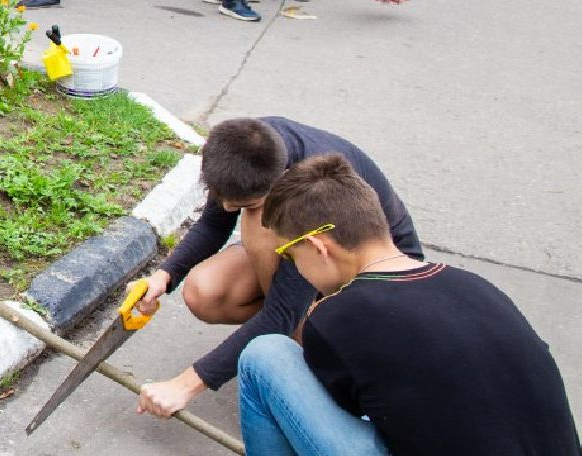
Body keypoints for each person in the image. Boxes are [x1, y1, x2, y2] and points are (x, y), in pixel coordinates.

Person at [239, 154, 582, 456]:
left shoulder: (338, 318)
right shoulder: (475, 287)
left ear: (318, 247)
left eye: (291, 257)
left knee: (265, 356)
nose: (297, 271)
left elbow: (335, 426)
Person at [131, 117, 421, 421]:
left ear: (280, 176)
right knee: (206, 291)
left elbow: (281, 314)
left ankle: (310, 352)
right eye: (223, 199)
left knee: (260, 225)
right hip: (318, 261)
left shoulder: (311, 191)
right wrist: (164, 276)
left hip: (377, 280)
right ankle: (298, 326)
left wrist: (185, 384)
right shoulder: (244, 150)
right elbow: (214, 223)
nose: (228, 208)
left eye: (243, 202)